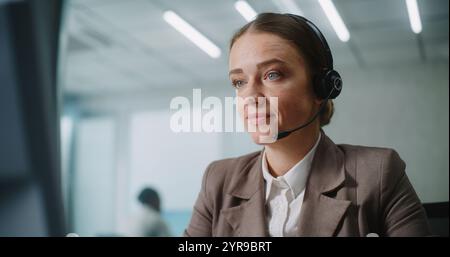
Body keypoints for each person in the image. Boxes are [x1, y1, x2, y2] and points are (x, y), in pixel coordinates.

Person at [185, 13, 431, 237]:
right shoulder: (219, 181)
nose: (250, 97)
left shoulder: (378, 173)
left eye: (272, 75)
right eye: (239, 82)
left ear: (320, 88)